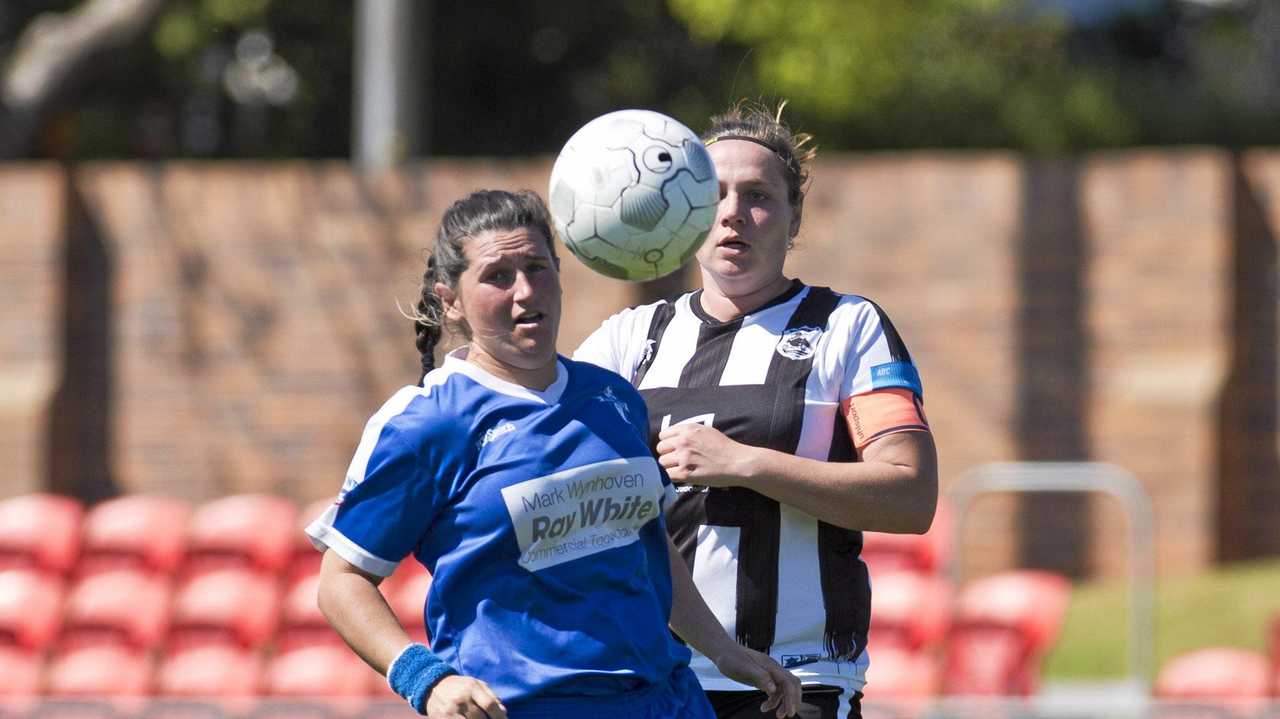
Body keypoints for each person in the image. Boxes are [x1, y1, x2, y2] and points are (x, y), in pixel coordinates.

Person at [306, 189, 801, 719]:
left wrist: (722, 650)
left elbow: (648, 543)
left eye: (538, 268)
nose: (525, 291)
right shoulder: (427, 422)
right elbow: (343, 581)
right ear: (450, 299)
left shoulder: (614, 398)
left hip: (666, 700)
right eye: (498, 276)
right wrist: (425, 678)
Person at [573, 102, 939, 719]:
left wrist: (745, 463)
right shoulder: (627, 339)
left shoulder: (848, 328)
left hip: (795, 686)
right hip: (652, 680)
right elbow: (557, 473)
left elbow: (910, 496)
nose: (733, 213)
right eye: (712, 194)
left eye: (759, 196)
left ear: (794, 219)